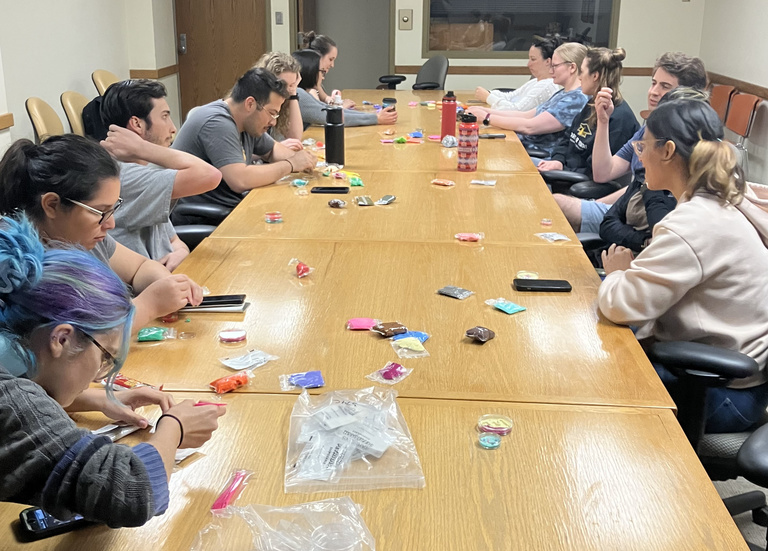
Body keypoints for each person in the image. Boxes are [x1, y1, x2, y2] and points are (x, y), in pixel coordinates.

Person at [0, 215, 225, 527]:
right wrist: (174, 428)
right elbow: (131, 492)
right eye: (105, 357)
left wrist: (98, 399)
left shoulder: (12, 348)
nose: (98, 375)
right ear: (62, 338)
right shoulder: (10, 399)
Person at [598, 99, 768, 433]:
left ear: (668, 150)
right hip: (738, 380)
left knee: (600, 377)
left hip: (719, 394)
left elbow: (621, 306)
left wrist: (618, 273)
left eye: (643, 145)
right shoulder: (725, 199)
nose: (639, 154)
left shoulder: (693, 224)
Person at [0, 135, 204, 332]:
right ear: (52, 205)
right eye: (100, 211)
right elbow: (84, 337)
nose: (111, 224)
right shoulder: (20, 264)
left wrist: (167, 285)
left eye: (113, 209)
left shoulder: (81, 237)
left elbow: (139, 268)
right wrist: (150, 305)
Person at [554, 51, 708, 233]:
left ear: (685, 95)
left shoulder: (685, 142)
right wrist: (603, 121)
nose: (654, 92)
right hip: (626, 209)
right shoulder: (648, 129)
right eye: (653, 83)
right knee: (555, 206)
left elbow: (656, 205)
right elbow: (604, 173)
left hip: (643, 224)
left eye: (665, 86)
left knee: (558, 206)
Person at [98, 80, 221, 270]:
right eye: (164, 117)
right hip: (144, 290)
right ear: (136, 124)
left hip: (166, 279)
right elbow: (211, 176)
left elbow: (174, 240)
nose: (173, 128)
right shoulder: (123, 176)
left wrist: (180, 252)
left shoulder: (144, 172)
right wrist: (142, 147)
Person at [171, 68, 316, 225]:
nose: (273, 122)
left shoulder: (247, 122)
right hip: (204, 217)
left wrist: (304, 161)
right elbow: (240, 180)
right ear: (250, 104)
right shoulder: (217, 123)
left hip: (230, 208)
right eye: (272, 113)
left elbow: (272, 150)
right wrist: (291, 164)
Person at [467, 42, 588, 158]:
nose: (551, 71)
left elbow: (530, 127)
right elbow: (525, 115)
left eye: (555, 66)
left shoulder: (576, 100)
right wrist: (482, 110)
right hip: (521, 147)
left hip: (535, 156)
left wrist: (487, 118)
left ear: (572, 67)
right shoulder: (563, 93)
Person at [536, 47, 638, 176]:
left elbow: (595, 172)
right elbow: (567, 139)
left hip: (577, 183)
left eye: (582, 72)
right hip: (563, 170)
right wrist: (558, 161)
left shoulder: (620, 119)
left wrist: (562, 170)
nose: (579, 77)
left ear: (595, 76)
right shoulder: (592, 103)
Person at [292, 50, 398, 128]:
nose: (323, 77)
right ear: (310, 72)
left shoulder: (303, 92)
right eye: (322, 72)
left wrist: (375, 116)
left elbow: (334, 111)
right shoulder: (298, 94)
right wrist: (376, 118)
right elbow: (333, 117)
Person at [474, 35, 562, 112]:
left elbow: (516, 110)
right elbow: (511, 97)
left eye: (533, 59)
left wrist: (488, 97)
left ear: (548, 61)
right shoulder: (536, 81)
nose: (528, 64)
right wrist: (489, 93)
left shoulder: (546, 86)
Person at [254, 51, 305, 151]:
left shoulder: (285, 98)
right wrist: (276, 148)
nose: (287, 91)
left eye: (291, 85)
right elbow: (245, 155)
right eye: (282, 85)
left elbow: (295, 139)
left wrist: (293, 93)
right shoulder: (253, 105)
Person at [302, 31, 355, 109]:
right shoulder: (309, 90)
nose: (332, 65)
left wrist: (329, 100)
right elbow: (321, 114)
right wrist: (341, 108)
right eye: (330, 59)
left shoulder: (315, 84)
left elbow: (322, 95)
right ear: (318, 56)